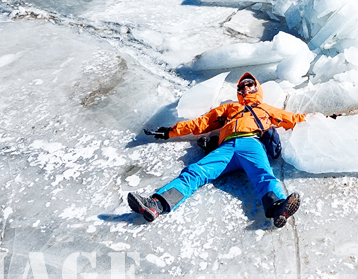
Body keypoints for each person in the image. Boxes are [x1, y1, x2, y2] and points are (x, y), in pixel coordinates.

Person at [126, 72, 308, 227]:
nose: (245, 89)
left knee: (263, 174)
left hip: (252, 142)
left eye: (249, 85)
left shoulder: (265, 109)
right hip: (227, 147)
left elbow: (295, 119)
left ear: (256, 88)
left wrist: (331, 119)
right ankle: (157, 204)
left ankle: (277, 207)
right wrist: (171, 131)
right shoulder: (230, 108)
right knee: (195, 171)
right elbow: (202, 123)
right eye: (241, 87)